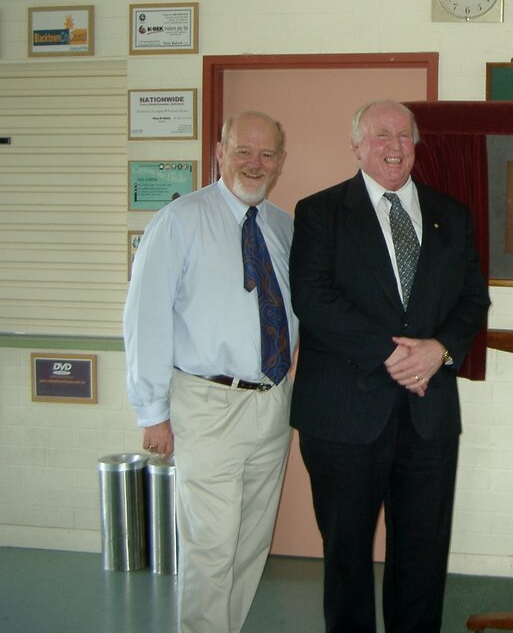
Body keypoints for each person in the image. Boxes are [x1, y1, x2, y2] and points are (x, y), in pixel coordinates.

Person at [289, 99, 491, 633]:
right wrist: (393, 353)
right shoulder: (319, 213)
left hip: (429, 420)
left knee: (422, 558)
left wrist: (440, 349)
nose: (394, 146)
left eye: (404, 134)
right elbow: (312, 298)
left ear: (417, 143)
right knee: (347, 556)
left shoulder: (453, 214)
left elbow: (474, 300)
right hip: (343, 417)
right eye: (381, 135)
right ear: (356, 145)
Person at [124, 111, 297, 633]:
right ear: (219, 153)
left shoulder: (282, 226)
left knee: (250, 545)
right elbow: (144, 317)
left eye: (267, 154)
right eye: (244, 150)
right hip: (207, 405)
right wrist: (152, 412)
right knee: (210, 548)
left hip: (271, 405)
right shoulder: (179, 220)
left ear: (281, 163)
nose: (255, 163)